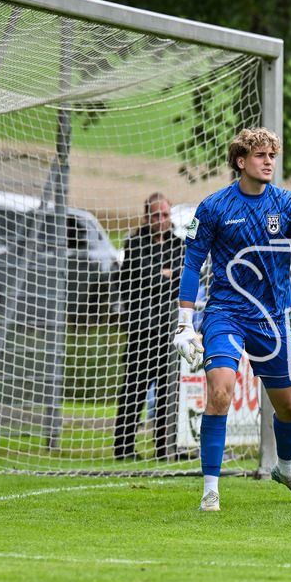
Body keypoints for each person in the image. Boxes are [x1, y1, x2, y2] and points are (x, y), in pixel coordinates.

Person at [173, 127, 291, 512]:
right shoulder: (213, 207)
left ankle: (286, 470)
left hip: (272, 316)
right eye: (262, 156)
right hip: (225, 312)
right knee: (219, 393)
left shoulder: (287, 203)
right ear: (241, 161)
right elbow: (191, 264)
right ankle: (211, 490)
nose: (269, 162)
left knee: (288, 409)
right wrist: (185, 321)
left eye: (272, 156)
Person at [114, 193, 187, 461]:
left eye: (165, 215)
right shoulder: (134, 242)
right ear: (147, 217)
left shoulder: (178, 245)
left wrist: (162, 275)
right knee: (135, 388)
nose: (161, 220)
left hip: (170, 330)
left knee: (170, 391)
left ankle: (164, 449)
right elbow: (142, 277)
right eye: (156, 215)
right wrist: (163, 274)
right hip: (141, 329)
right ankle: (124, 449)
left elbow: (183, 277)